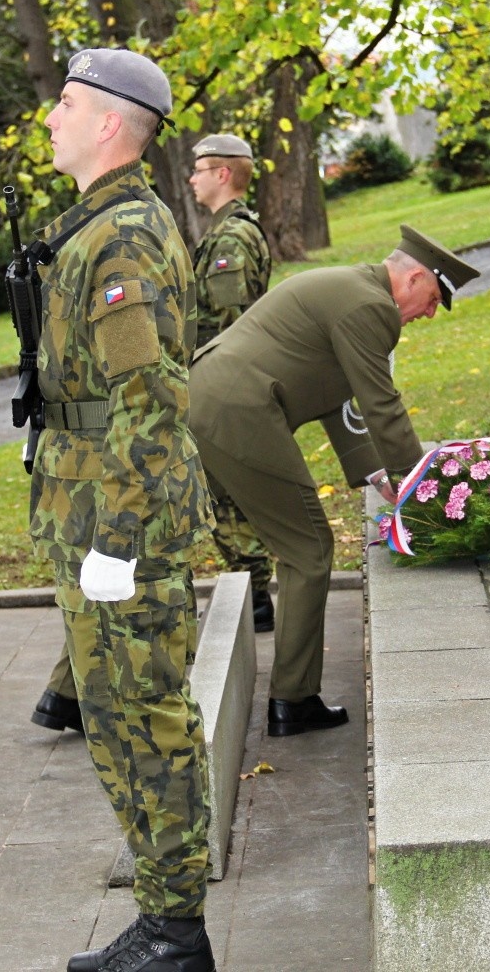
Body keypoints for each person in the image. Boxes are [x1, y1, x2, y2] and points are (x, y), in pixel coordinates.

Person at [25, 47, 216, 972]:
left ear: (108, 122)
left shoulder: (124, 238)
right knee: (113, 721)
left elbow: (149, 399)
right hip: (91, 508)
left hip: (120, 520)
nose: (49, 116)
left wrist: (117, 540)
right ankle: (161, 919)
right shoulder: (97, 226)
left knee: (149, 722)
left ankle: (178, 934)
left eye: (64, 103)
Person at [189, 227, 480, 736]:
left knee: (158, 533)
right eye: (434, 299)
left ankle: (65, 693)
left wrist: (377, 472)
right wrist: (423, 484)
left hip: (212, 399)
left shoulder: (352, 288)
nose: (430, 314)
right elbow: (380, 403)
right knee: (308, 549)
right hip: (238, 411)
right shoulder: (370, 307)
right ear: (414, 277)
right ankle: (293, 698)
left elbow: (340, 398)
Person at [186, 133, 277, 634]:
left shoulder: (231, 239)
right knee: (222, 491)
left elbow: (228, 324)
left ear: (223, 174)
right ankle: (253, 592)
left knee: (225, 492)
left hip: (221, 385)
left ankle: (255, 594)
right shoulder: (226, 231)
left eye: (199, 170)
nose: (192, 179)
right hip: (219, 382)